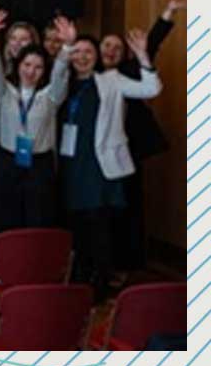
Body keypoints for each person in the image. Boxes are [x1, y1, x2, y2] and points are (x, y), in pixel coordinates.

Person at [61, 28, 160, 297]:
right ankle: (79, 281)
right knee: (77, 226)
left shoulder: (112, 80)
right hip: (71, 164)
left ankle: (100, 284)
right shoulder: (64, 83)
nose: (82, 57)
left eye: (88, 52)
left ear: (97, 57)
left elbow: (151, 88)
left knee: (100, 226)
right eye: (76, 52)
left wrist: (142, 56)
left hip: (100, 165)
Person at [0, 7, 72, 232]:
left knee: (38, 218)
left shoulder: (51, 96)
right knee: (6, 218)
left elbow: (61, 72)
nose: (31, 71)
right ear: (19, 65)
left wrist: (68, 46)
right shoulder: (4, 91)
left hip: (39, 163)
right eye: (27, 65)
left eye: (38, 67)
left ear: (45, 71)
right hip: (8, 160)